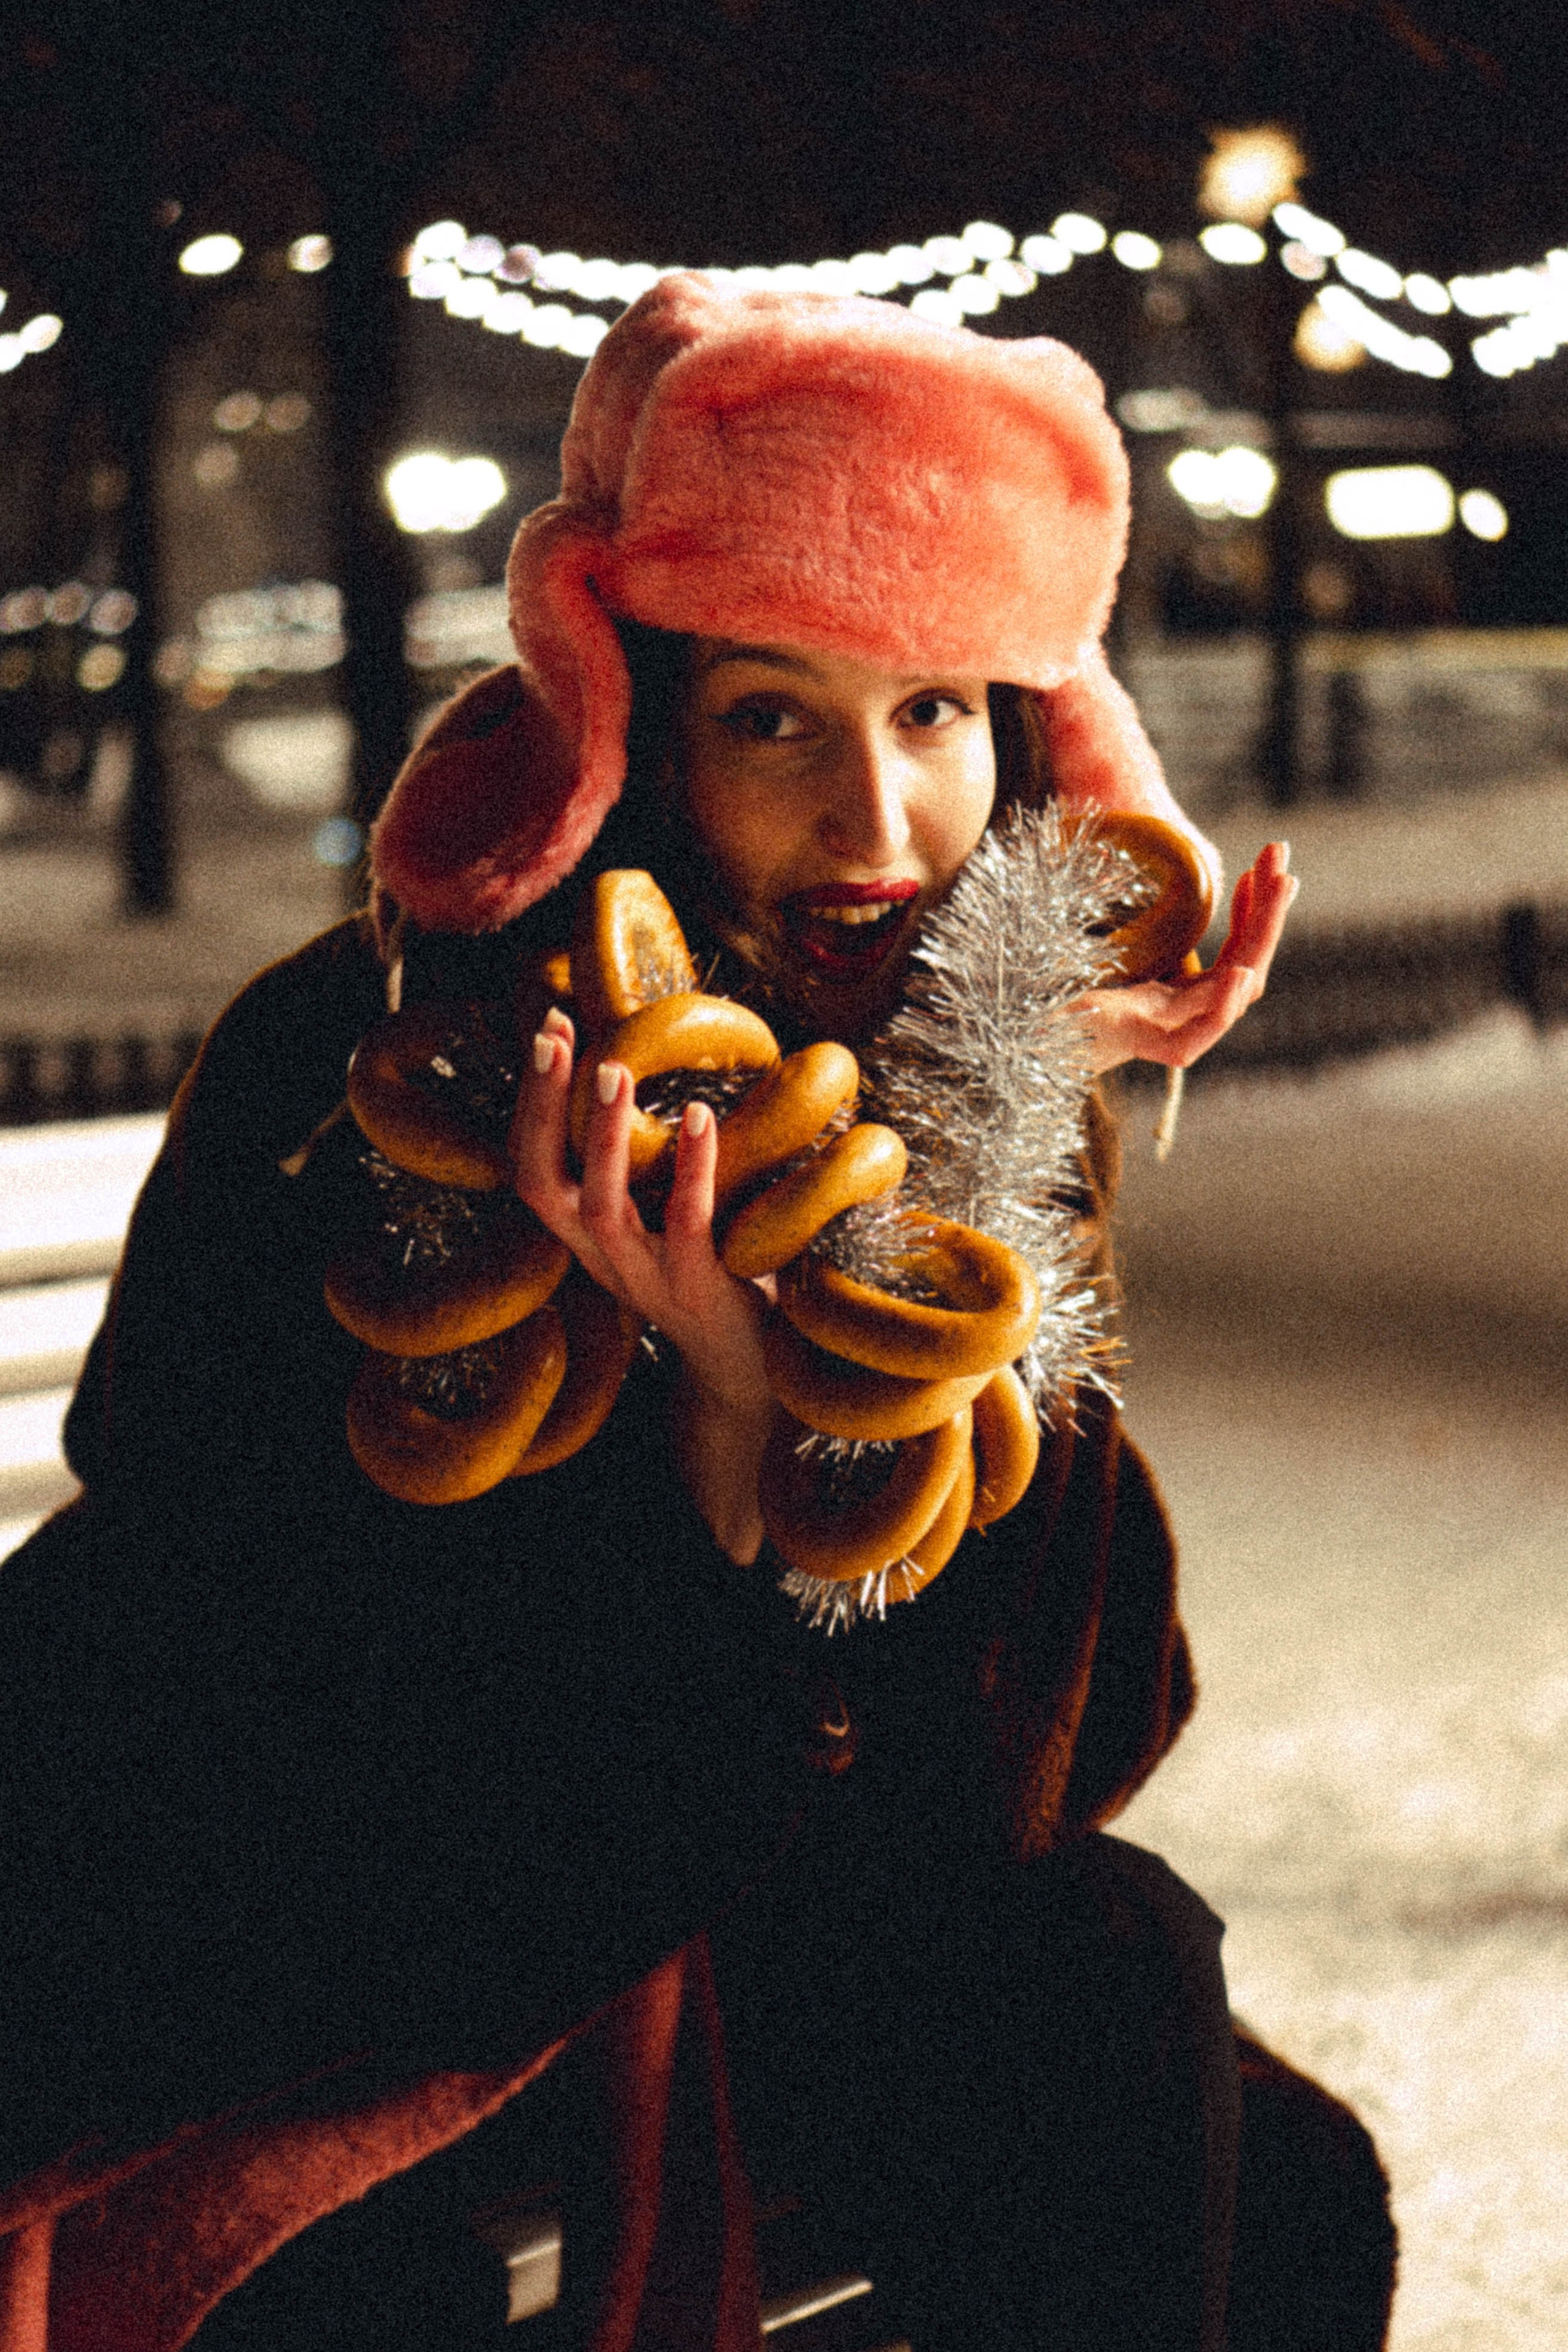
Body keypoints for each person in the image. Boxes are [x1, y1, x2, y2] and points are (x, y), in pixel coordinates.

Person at [0, 276, 1394, 2352]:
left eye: (932, 712)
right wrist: (680, 1474)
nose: (876, 821)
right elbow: (249, 1671)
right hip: (357, 1925)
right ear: (633, 730)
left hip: (744, 1895)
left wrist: (837, 1356)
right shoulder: (384, 1053)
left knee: (1163, 2041)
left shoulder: (966, 1068)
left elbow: (1051, 1757)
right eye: (772, 715)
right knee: (363, 2273)